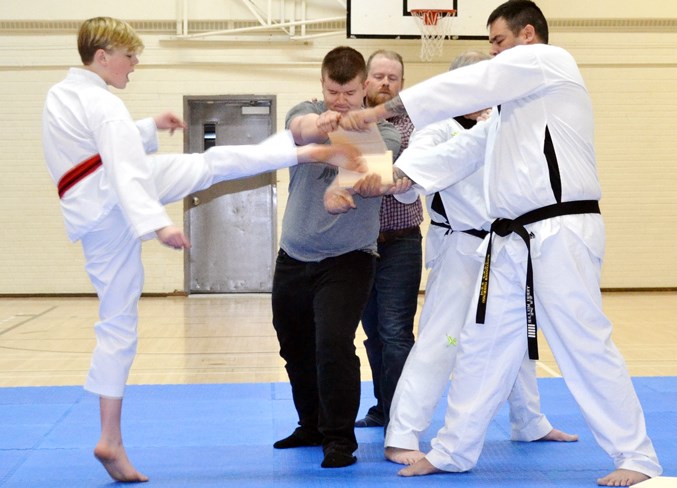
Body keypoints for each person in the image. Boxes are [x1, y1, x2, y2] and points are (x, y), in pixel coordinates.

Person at [339, 1, 662, 485]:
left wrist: (382, 109)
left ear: (527, 36)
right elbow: (457, 153)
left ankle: (636, 457)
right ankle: (454, 449)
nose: (493, 55)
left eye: (497, 42)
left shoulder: (551, 62)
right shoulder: (508, 116)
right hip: (508, 243)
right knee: (481, 346)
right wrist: (388, 178)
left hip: (559, 231)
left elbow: (472, 84)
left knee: (582, 342)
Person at [41, 18, 365, 483]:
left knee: (116, 322)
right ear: (103, 56)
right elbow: (125, 167)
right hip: (113, 194)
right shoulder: (103, 105)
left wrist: (150, 126)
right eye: (129, 56)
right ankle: (303, 154)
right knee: (212, 164)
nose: (134, 65)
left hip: (87, 210)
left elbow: (96, 144)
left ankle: (109, 437)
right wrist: (157, 224)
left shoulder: (64, 94)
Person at [384, 51, 578, 467]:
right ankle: (402, 432)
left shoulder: (502, 124)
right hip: (458, 248)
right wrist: (395, 179)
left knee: (514, 334)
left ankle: (529, 421)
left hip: (503, 245)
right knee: (442, 340)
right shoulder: (436, 130)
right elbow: (406, 181)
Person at [271, 46, 401, 469]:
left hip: (349, 258)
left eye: (347, 92)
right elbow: (299, 127)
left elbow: (370, 172)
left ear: (364, 86)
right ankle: (309, 424)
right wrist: (317, 123)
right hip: (294, 254)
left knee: (332, 344)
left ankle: (339, 439)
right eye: (332, 91)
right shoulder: (309, 110)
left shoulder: (387, 130)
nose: (339, 101)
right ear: (321, 84)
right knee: (294, 346)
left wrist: (343, 191)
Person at [355, 50, 422, 430]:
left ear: (401, 84)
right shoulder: (353, 123)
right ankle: (384, 407)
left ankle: (403, 417)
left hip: (401, 242)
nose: (384, 83)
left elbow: (412, 183)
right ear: (365, 81)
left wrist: (400, 180)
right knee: (373, 334)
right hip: (360, 246)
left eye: (392, 78)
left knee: (396, 331)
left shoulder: (415, 127)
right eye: (378, 76)